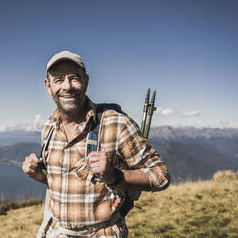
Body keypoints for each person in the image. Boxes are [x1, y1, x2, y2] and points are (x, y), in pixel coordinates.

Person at [22, 50, 170, 238]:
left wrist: (114, 175)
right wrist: (39, 176)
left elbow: (161, 176)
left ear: (86, 81)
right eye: (58, 80)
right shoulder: (49, 128)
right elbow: (65, 186)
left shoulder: (116, 124)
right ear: (48, 86)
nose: (67, 86)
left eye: (74, 78)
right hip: (56, 232)